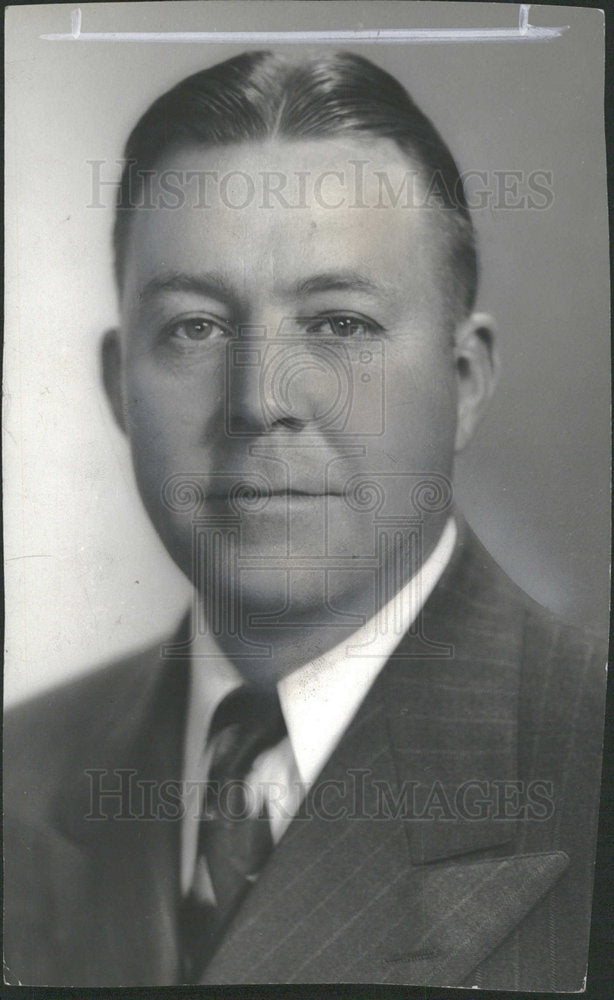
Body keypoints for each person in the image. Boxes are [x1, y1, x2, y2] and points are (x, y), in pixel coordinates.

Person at [4, 50, 607, 990]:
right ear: (119, 384)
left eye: (339, 325)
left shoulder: (589, 762)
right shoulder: (18, 766)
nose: (260, 401)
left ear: (465, 380)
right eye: (196, 327)